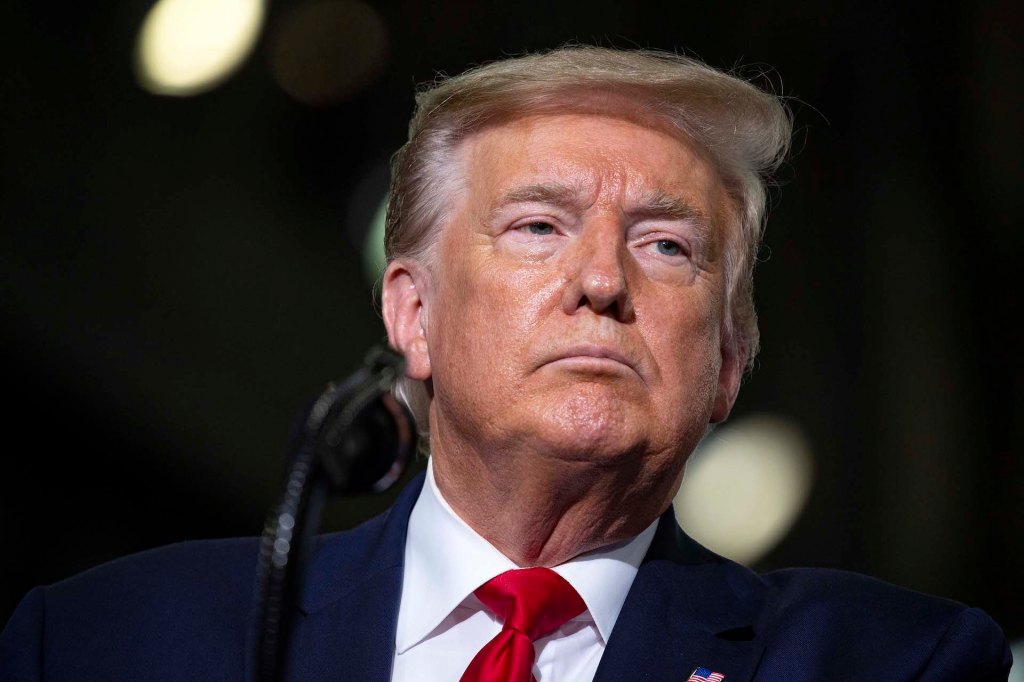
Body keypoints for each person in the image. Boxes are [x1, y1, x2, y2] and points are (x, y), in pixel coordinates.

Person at [0, 46, 1012, 681]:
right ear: (413, 312)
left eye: (667, 246)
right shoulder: (107, 642)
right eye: (537, 226)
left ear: (728, 362)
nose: (601, 282)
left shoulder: (890, 662)